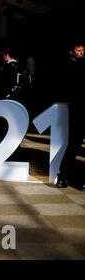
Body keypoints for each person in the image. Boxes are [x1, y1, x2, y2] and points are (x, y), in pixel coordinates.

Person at [56, 42, 84, 190]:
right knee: (74, 144)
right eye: (78, 50)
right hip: (78, 110)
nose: (81, 53)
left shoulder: (79, 65)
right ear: (71, 52)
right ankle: (64, 176)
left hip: (78, 109)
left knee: (74, 144)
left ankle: (66, 177)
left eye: (83, 50)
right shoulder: (70, 66)